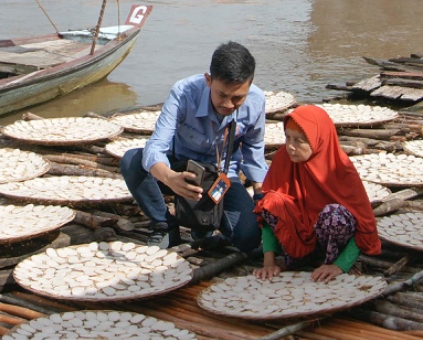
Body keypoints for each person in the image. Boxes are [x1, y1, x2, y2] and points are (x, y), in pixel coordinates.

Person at [122, 41, 266, 251]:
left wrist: (262, 200)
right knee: (132, 160)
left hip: (222, 176)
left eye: (237, 98)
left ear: (250, 85)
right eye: (222, 95)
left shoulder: (256, 102)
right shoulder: (184, 92)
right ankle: (164, 225)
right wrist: (171, 178)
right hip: (179, 167)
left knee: (248, 239)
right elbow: (156, 146)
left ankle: (207, 227)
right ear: (208, 80)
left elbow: (254, 155)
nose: (228, 105)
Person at [253, 104, 380, 281]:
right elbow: (268, 212)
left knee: (334, 215)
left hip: (332, 241)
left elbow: (365, 224)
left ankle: (330, 262)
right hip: (301, 240)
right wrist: (269, 262)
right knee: (272, 200)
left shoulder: (340, 169)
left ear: (318, 140)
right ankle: (298, 258)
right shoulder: (284, 159)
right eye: (287, 138)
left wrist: (340, 265)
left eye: (299, 140)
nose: (290, 146)